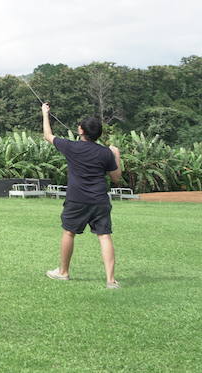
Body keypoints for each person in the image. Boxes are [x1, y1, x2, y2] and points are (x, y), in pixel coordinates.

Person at [42, 103, 123, 289]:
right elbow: (116, 178)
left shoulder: (71, 147)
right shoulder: (105, 152)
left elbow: (47, 136)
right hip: (100, 200)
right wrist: (116, 155)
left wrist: (45, 113)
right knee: (104, 236)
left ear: (80, 130)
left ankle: (63, 273)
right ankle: (111, 280)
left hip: (76, 199)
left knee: (69, 232)